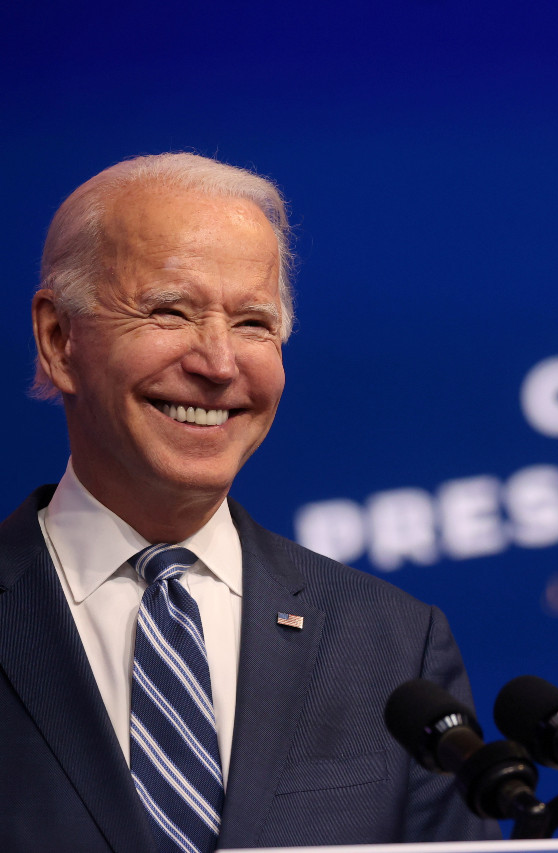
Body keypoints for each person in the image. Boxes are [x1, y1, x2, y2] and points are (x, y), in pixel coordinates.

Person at [0, 153, 497, 851]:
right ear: (58, 339)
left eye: (253, 323)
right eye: (169, 310)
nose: (218, 363)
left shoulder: (391, 646)